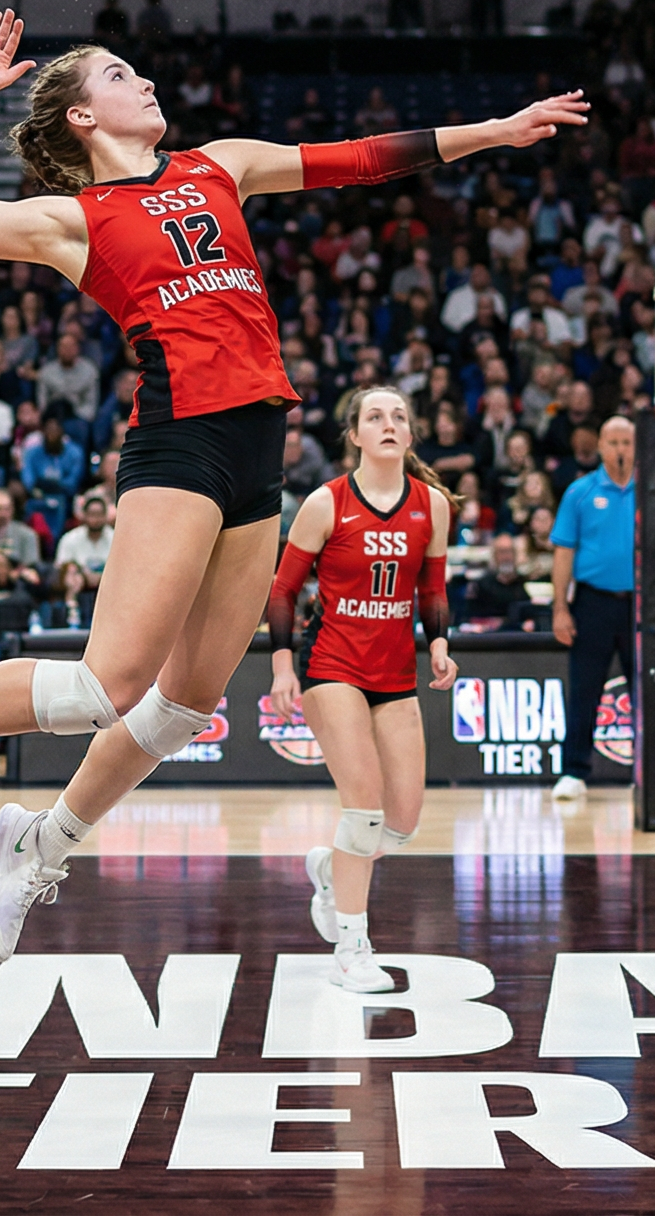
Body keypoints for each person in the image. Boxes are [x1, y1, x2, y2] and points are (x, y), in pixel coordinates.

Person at [0, 10, 582, 963]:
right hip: (181, 440)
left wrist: (493, 131)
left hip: (258, 446)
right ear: (84, 116)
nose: (148, 82)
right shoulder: (71, 219)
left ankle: (42, 843)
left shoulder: (220, 165)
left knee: (180, 708)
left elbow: (360, 160)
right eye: (122, 75)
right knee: (104, 686)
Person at [268, 388, 458, 992]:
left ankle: (331, 868)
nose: (388, 424)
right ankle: (351, 948)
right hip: (332, 666)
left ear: (410, 434)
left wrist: (438, 642)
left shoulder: (432, 504)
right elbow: (283, 590)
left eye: (399, 416)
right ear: (354, 435)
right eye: (375, 417)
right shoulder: (327, 502)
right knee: (364, 810)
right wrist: (281, 666)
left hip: (395, 672)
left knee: (401, 823)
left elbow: (433, 588)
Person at [548, 415, 638, 803]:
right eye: (613, 442)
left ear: (636, 447)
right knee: (584, 689)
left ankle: (646, 770)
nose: (620, 450)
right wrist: (560, 609)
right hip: (592, 602)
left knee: (646, 692)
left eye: (626, 442)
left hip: (639, 606)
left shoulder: (652, 495)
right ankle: (574, 772)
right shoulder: (580, 493)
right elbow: (563, 553)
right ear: (600, 446)